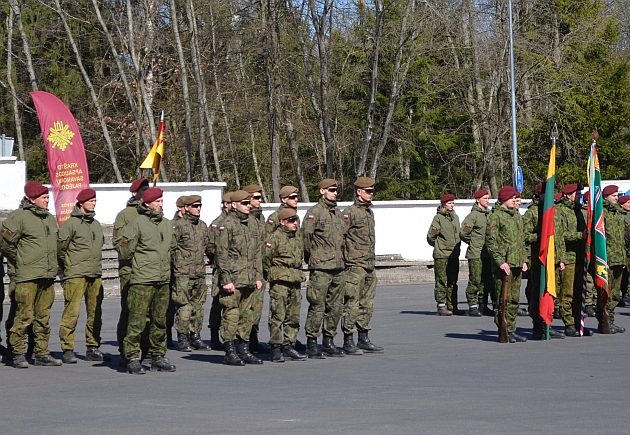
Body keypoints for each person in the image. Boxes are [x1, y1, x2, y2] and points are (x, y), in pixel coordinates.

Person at [0, 181, 61, 367]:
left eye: (47, 197)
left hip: (47, 274)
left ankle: (41, 352)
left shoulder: (49, 218)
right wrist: (19, 260)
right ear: (31, 199)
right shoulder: (19, 217)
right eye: (43, 198)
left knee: (43, 316)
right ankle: (17, 352)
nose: (47, 200)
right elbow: (5, 242)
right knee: (24, 315)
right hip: (27, 275)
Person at [119, 187, 177, 374]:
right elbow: (125, 251)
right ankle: (132, 356)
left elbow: (172, 248)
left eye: (162, 201)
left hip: (162, 279)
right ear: (147, 203)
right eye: (157, 201)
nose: (161, 204)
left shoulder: (167, 224)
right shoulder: (136, 224)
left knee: (160, 320)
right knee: (137, 320)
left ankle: (157, 355)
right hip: (143, 280)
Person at [215, 190, 264, 365]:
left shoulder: (254, 223)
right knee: (232, 314)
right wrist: (226, 279)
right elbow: (221, 254)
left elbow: (258, 252)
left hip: (250, 277)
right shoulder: (227, 224)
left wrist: (258, 276)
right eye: (244, 203)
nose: (248, 205)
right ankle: (229, 349)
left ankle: (243, 348)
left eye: (249, 202)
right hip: (234, 279)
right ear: (234, 204)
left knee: (247, 315)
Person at [57, 188, 105, 363]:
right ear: (81, 203)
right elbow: (60, 250)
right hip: (76, 274)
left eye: (95, 201)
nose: (94, 203)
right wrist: (68, 267)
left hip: (95, 273)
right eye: (91, 201)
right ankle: (67, 348)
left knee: (95, 313)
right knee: (72, 312)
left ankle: (93, 346)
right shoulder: (70, 224)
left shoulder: (96, 224)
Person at [302, 179, 347, 358]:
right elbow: (306, 237)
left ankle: (329, 341)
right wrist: (312, 257)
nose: (335, 193)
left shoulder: (337, 212)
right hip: (321, 266)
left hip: (338, 265)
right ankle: (312, 342)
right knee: (317, 305)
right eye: (331, 190)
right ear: (322, 191)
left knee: (336, 306)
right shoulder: (315, 212)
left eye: (336, 190)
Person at [340, 176, 383, 354]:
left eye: (372, 191)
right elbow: (340, 237)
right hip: (354, 265)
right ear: (359, 192)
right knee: (352, 302)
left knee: (367, 303)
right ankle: (348, 339)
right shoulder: (349, 212)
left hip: (368, 264)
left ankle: (363, 337)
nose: (371, 194)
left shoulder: (368, 212)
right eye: (368, 191)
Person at [112, 177, 149, 366]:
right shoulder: (125, 215)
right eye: (143, 190)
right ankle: (124, 350)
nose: (146, 193)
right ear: (135, 194)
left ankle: (147, 349)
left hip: (150, 272)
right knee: (129, 311)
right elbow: (118, 243)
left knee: (148, 313)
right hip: (131, 270)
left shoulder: (153, 213)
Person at [264, 207, 307, 362]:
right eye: (290, 221)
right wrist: (274, 274)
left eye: (295, 220)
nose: (294, 223)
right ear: (282, 222)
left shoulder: (297, 237)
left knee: (293, 315)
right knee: (278, 315)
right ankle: (275, 346)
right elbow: (265, 259)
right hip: (280, 280)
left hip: (295, 278)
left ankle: (289, 345)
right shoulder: (274, 238)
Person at [486, 186, 528, 343]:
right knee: (504, 299)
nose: (515, 201)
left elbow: (521, 240)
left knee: (515, 300)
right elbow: (491, 242)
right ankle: (503, 329)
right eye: (513, 198)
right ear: (504, 200)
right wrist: (500, 261)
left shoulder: (517, 216)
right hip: (504, 265)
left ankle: (511, 329)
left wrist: (524, 259)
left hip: (517, 263)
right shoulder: (495, 217)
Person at [171, 195, 211, 352]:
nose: (198, 208)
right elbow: (171, 248)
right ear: (186, 207)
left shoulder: (202, 226)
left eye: (199, 205)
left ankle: (196, 336)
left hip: (199, 272)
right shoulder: (178, 226)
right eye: (195, 206)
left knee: (198, 307)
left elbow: (208, 247)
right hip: (183, 273)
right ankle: (183, 337)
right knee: (184, 306)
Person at [554, 184, 584, 337]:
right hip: (568, 257)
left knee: (580, 292)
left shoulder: (579, 210)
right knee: (567, 293)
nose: (578, 195)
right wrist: (580, 235)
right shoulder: (560, 211)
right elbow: (561, 235)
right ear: (567, 195)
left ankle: (579, 322)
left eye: (579, 193)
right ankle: (569, 323)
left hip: (580, 257)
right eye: (575, 193)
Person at [242, 184, 268, 353]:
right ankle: (241, 342)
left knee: (257, 307)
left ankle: (253, 338)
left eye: (260, 198)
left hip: (260, 269)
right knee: (244, 308)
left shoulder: (261, 218)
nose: (260, 201)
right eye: (257, 198)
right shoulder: (243, 220)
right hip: (246, 270)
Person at [427, 193, 461, 316]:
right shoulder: (438, 218)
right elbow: (431, 237)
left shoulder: (455, 217)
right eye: (450, 203)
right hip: (442, 254)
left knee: (453, 280)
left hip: (454, 254)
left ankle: (452, 305)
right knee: (441, 279)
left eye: (453, 203)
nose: (452, 205)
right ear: (443, 204)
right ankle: (441, 306)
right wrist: (439, 246)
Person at [460, 189, 493, 317]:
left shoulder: (489, 214)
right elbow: (463, 233)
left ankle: (483, 304)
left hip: (487, 253)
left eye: (488, 198)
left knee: (486, 281)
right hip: (476, 253)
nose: (487, 201)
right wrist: (473, 242)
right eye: (485, 198)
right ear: (478, 200)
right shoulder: (473, 216)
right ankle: (472, 305)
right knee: (475, 279)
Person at [599, 185, 626, 334]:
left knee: (615, 294)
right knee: (605, 293)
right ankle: (604, 322)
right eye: (614, 195)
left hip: (619, 258)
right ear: (607, 196)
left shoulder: (617, 214)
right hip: (607, 259)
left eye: (617, 195)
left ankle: (611, 321)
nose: (617, 198)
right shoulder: (602, 213)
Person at [619, 195, 630, 307]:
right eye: (628, 202)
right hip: (622, 249)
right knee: (623, 275)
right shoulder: (621, 215)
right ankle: (624, 294)